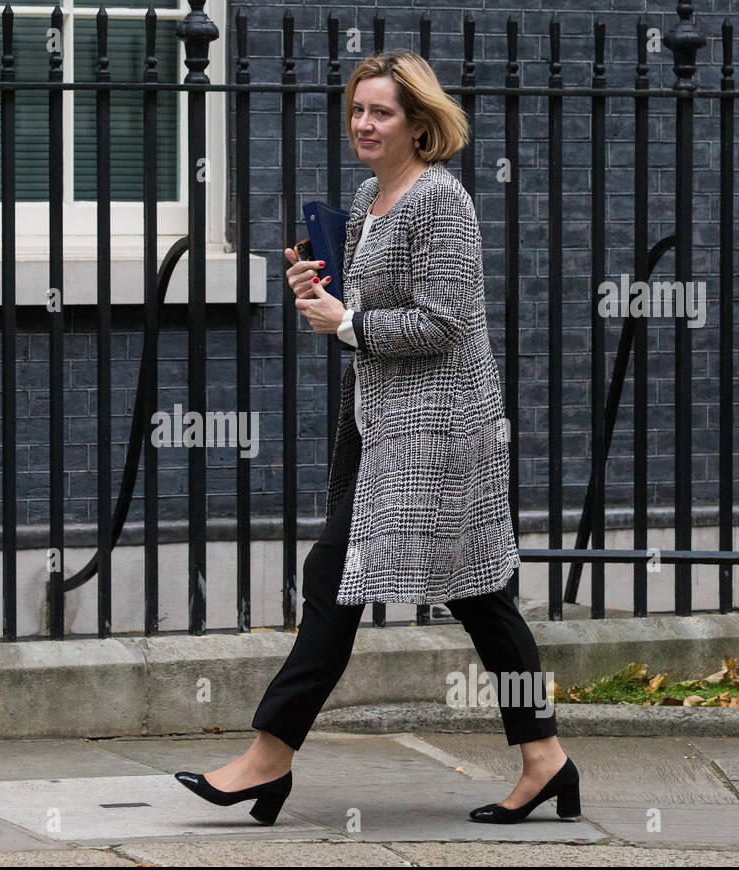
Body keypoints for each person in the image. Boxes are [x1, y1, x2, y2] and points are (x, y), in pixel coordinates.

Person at [175, 51, 580, 826]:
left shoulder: (442, 201)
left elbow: (444, 322)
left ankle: (269, 758)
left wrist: (348, 322)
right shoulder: (369, 197)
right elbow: (364, 312)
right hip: (379, 421)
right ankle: (545, 759)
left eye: (381, 112)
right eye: (358, 109)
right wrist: (320, 293)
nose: (363, 123)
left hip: (439, 429)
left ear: (420, 125)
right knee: (479, 596)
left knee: (341, 577)